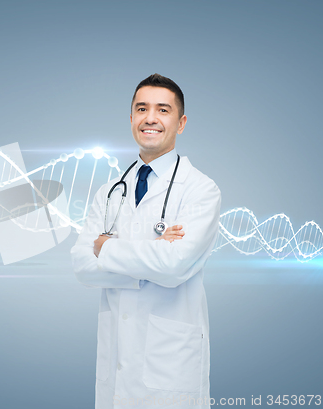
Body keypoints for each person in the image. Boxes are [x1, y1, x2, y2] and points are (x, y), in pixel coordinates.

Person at [71, 73, 221, 409]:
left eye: (163, 110)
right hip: (116, 363)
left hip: (171, 366)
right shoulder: (110, 191)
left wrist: (106, 247)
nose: (150, 118)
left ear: (180, 123)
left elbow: (175, 266)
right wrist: (154, 251)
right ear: (131, 119)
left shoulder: (201, 189)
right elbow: (81, 266)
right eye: (142, 108)